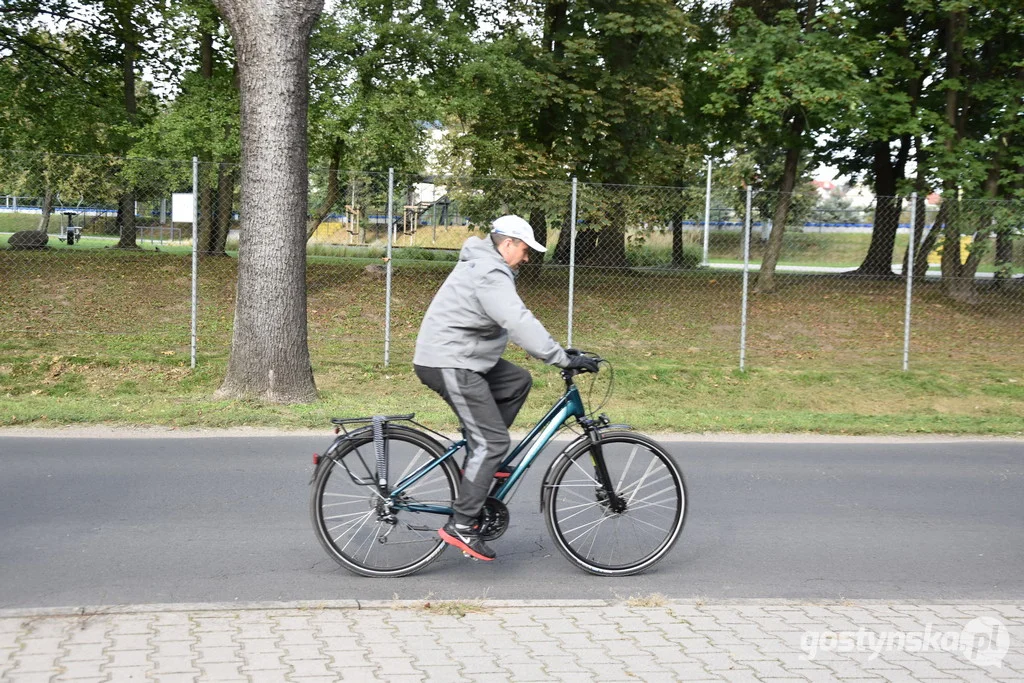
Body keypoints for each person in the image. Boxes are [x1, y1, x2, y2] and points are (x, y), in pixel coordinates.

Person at [413, 214, 599, 561]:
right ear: (508, 243)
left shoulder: (487, 265)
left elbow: (512, 319)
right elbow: (516, 320)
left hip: (463, 357)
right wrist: (560, 358)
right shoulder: (489, 271)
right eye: (525, 250)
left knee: (516, 381)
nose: (527, 258)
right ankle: (463, 525)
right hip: (450, 361)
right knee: (494, 440)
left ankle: (481, 458)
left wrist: (561, 352)